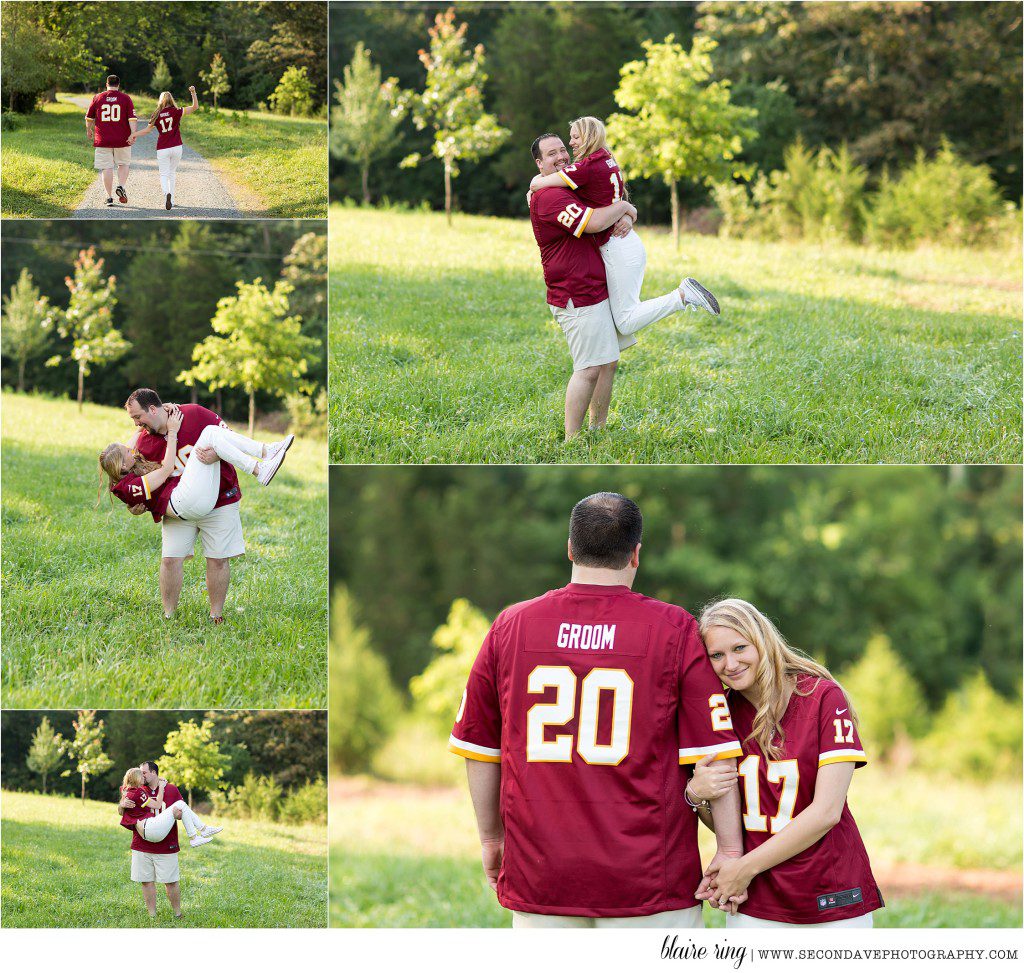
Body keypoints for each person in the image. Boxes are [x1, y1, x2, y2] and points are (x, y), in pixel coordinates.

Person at [449, 492, 745, 927]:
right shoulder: (674, 628)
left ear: (570, 548)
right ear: (636, 555)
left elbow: (479, 749)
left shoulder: (511, 625)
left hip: (540, 872)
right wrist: (730, 849)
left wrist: (491, 838)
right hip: (648, 877)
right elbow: (716, 755)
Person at [687, 598, 884, 928]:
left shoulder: (823, 697)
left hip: (829, 889)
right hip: (757, 895)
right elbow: (733, 819)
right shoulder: (719, 713)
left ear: (762, 640)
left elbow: (826, 812)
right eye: (717, 655)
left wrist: (744, 867)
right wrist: (696, 794)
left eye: (739, 648)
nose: (730, 664)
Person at [529, 116, 719, 333]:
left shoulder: (585, 168)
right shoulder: (605, 158)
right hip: (623, 243)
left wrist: (534, 187)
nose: (571, 144)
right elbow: (611, 198)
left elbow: (541, 182)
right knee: (620, 321)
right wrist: (627, 210)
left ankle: (682, 296)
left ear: (588, 137)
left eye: (574, 138)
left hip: (616, 244)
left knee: (626, 322)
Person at [529, 134, 638, 440]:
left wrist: (627, 214)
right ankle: (572, 440)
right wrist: (623, 208)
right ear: (540, 164)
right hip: (575, 295)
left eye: (563, 149)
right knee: (589, 368)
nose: (561, 156)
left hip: (595, 287)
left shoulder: (571, 184)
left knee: (608, 363)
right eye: (552, 154)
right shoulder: (551, 197)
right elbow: (593, 222)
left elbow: (609, 205)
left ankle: (598, 429)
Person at [123, 389, 264, 623]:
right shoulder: (142, 442)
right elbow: (129, 467)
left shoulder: (195, 414)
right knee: (170, 559)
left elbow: (230, 438)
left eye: (138, 417)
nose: (136, 423)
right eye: (133, 420)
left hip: (219, 498)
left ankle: (215, 615)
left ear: (153, 409)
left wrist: (216, 456)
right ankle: (168, 615)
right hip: (178, 506)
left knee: (218, 558)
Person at [98, 404, 293, 525]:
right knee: (209, 433)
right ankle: (260, 469)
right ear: (122, 465)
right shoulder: (127, 486)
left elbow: (131, 440)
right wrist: (172, 430)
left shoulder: (124, 473)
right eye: (127, 452)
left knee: (212, 432)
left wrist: (160, 410)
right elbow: (166, 470)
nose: (132, 449)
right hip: (181, 502)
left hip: (189, 501)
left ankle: (267, 452)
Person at [117, 761, 189, 918]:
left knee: (171, 881)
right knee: (146, 880)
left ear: (154, 773)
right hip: (141, 843)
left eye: (144, 772)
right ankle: (152, 916)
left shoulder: (171, 789)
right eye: (140, 773)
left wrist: (179, 815)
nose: (141, 775)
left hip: (166, 844)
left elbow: (183, 811)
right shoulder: (136, 789)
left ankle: (178, 913)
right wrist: (121, 805)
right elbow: (121, 811)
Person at [129, 86, 199, 210]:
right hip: (177, 147)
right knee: (172, 173)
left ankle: (166, 193)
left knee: (163, 174)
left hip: (163, 148)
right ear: (171, 100)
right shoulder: (177, 111)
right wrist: (193, 92)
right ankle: (171, 200)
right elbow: (195, 107)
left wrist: (134, 134)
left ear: (161, 101)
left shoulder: (156, 114)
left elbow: (147, 131)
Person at [119, 767, 223, 849]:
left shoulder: (127, 791)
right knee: (180, 804)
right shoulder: (138, 792)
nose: (143, 778)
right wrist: (161, 787)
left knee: (181, 805)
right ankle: (199, 833)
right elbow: (157, 805)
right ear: (137, 778)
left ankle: (201, 831)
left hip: (147, 832)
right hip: (150, 827)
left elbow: (123, 810)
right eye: (142, 776)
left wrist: (157, 779)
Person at [85, 75, 137, 208]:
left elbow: (89, 117)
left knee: (107, 167)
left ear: (106, 84)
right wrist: (133, 134)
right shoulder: (125, 98)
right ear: (118, 84)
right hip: (122, 139)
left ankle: (109, 198)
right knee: (123, 164)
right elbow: (132, 119)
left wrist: (89, 130)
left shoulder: (98, 97)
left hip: (103, 139)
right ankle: (121, 186)